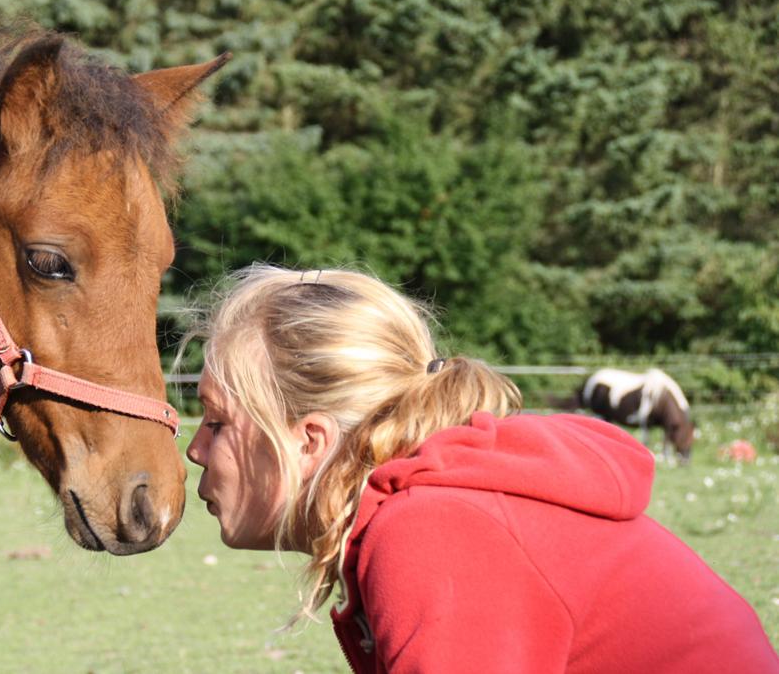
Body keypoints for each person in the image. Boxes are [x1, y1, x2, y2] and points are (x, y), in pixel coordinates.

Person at [184, 265, 778, 673]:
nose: (195, 451)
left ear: (309, 441)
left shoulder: (432, 531)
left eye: (216, 423)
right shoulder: (430, 511)